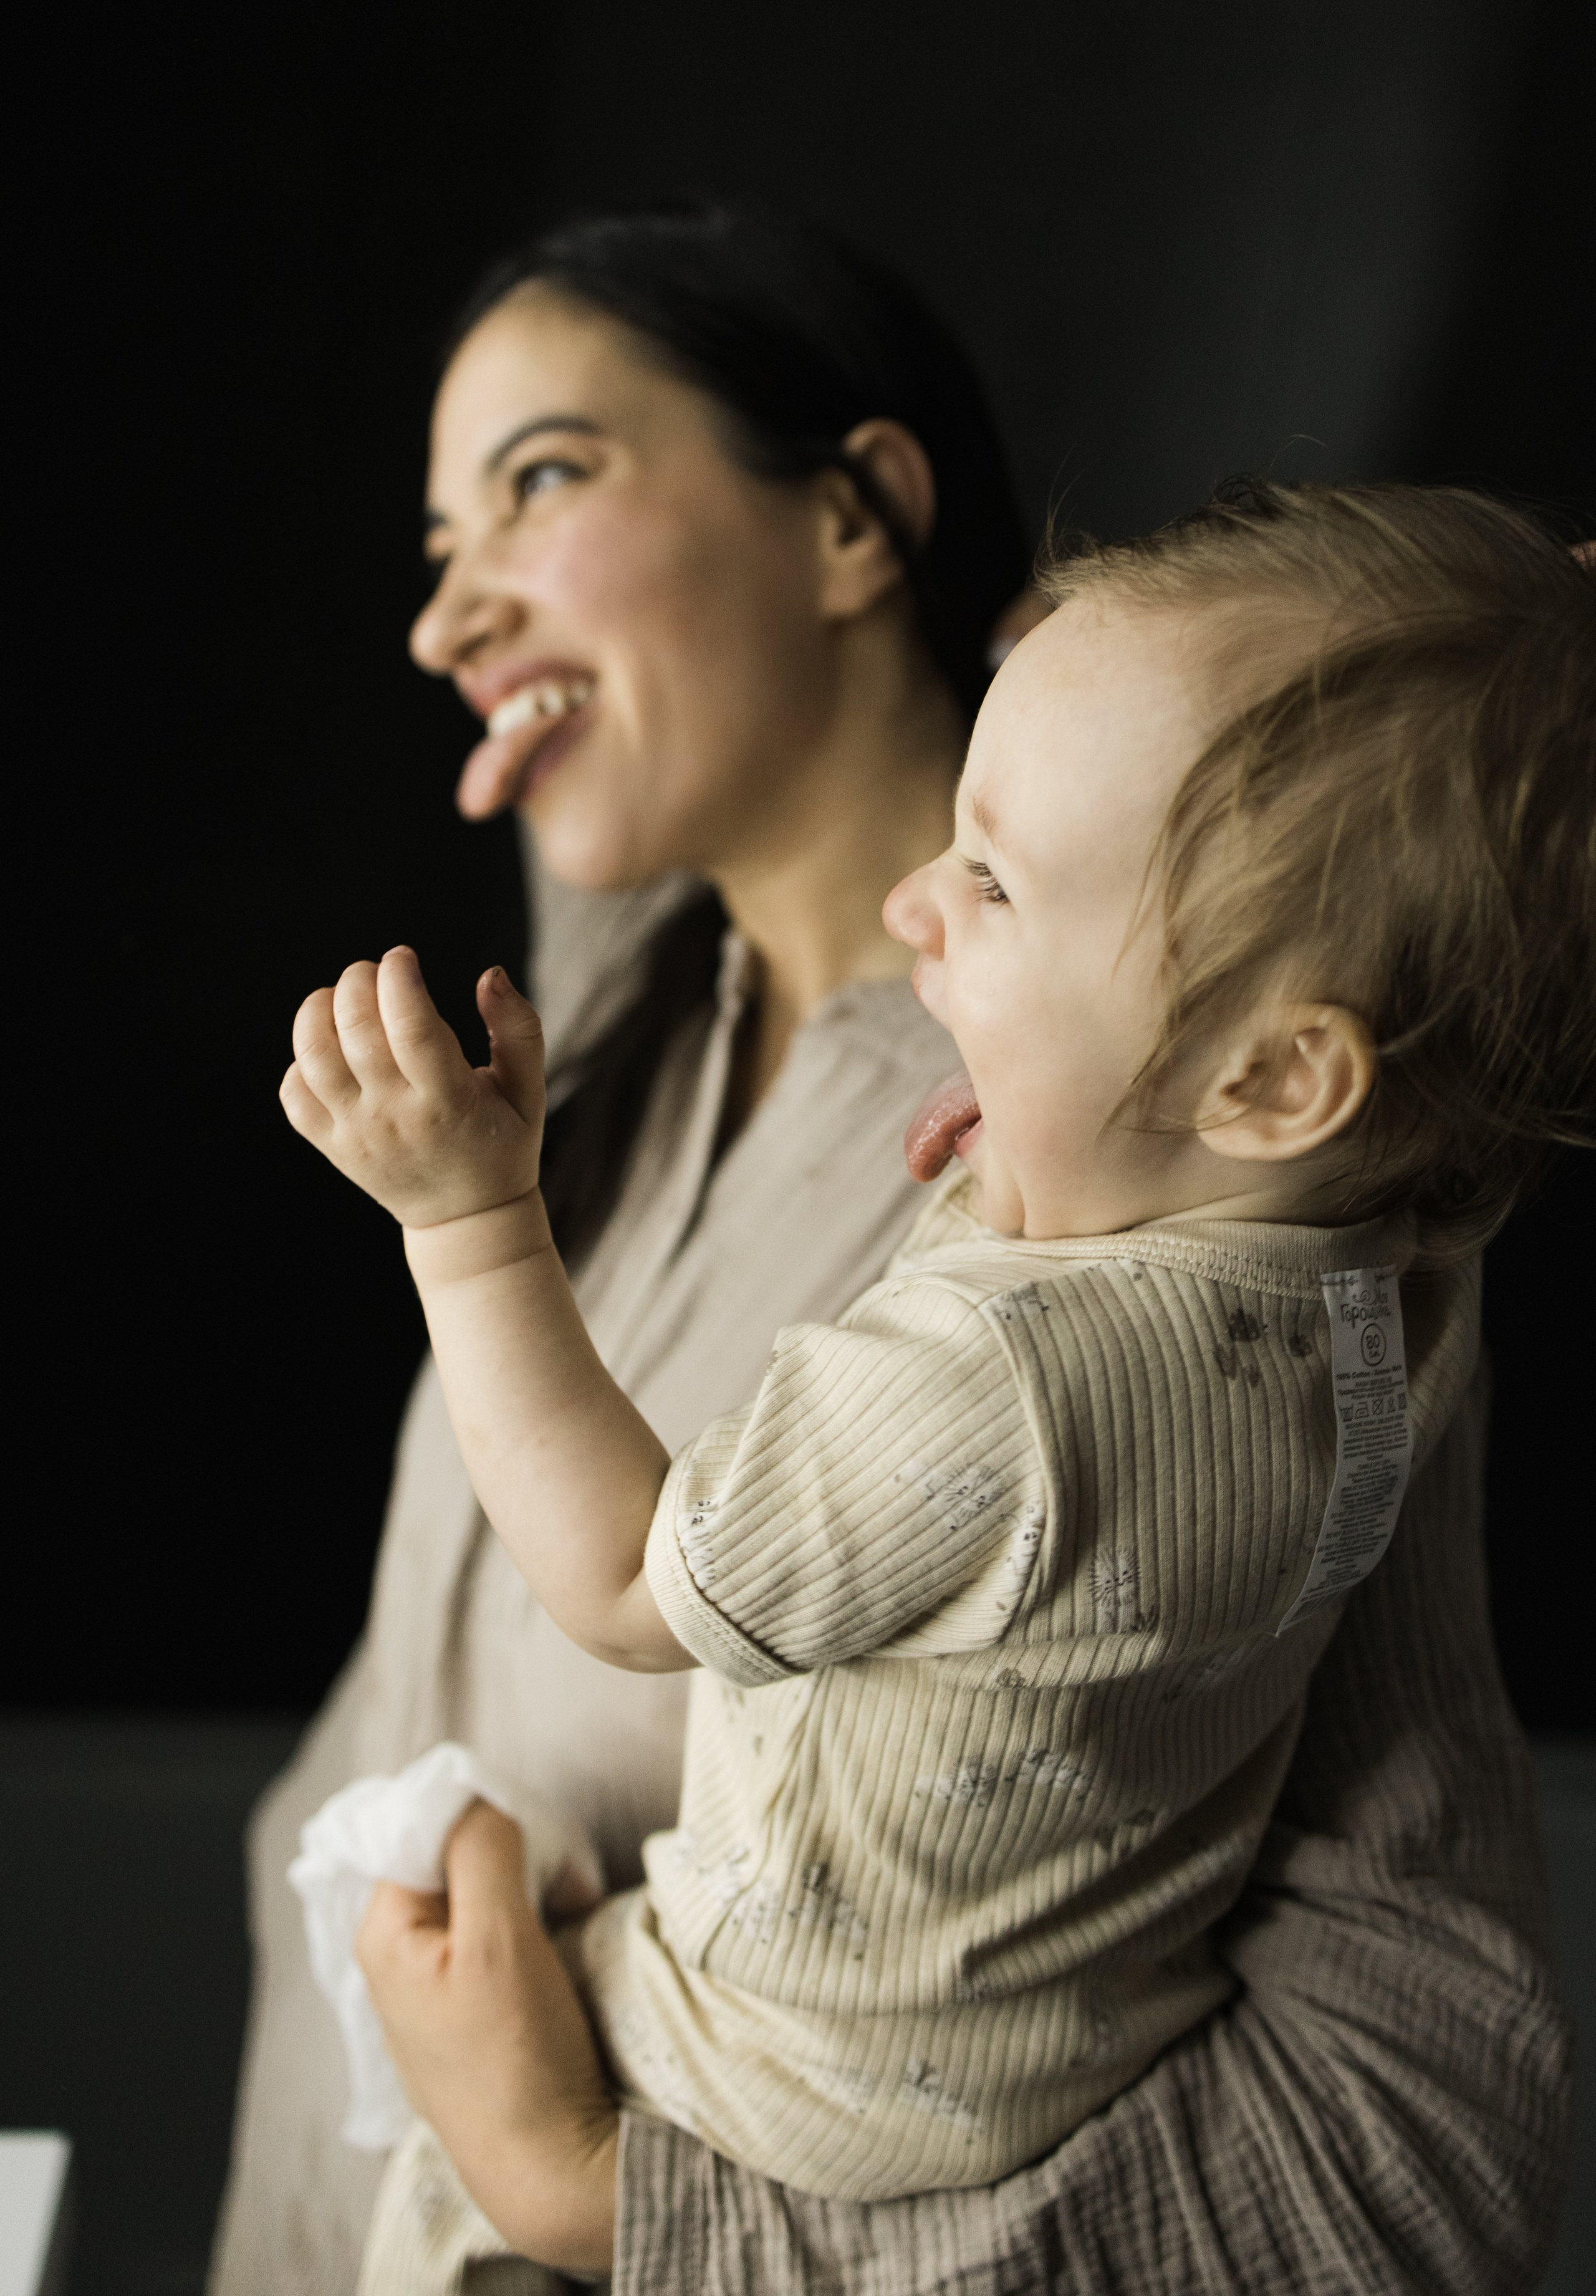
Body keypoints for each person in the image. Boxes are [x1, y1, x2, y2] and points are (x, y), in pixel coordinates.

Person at [209, 208, 1573, 2296]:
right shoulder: (634, 1015)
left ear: (862, 516)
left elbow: (1414, 2144)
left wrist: (590, 2183)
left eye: (544, 479)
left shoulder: (1218, 1246)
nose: (441, 622)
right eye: (432, 542)